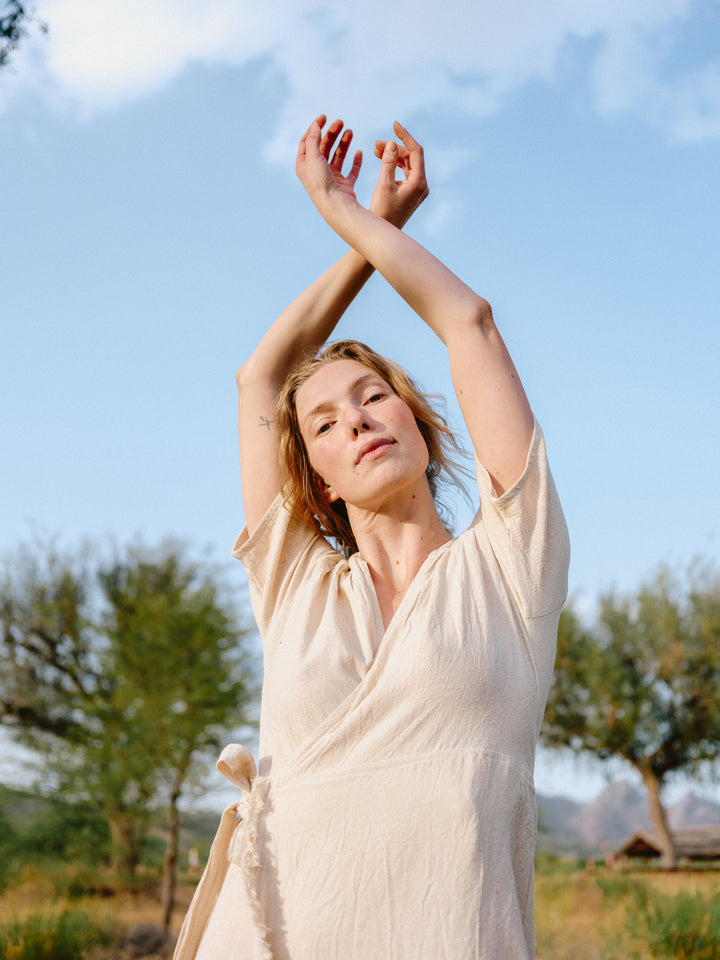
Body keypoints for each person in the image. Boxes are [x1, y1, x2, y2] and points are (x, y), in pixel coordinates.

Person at [173, 116, 570, 960]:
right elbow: (262, 378)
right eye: (325, 423)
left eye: (374, 398)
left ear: (420, 424)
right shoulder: (293, 583)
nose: (355, 421)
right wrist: (367, 229)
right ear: (317, 478)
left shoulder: (510, 563)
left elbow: (472, 324)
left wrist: (355, 214)